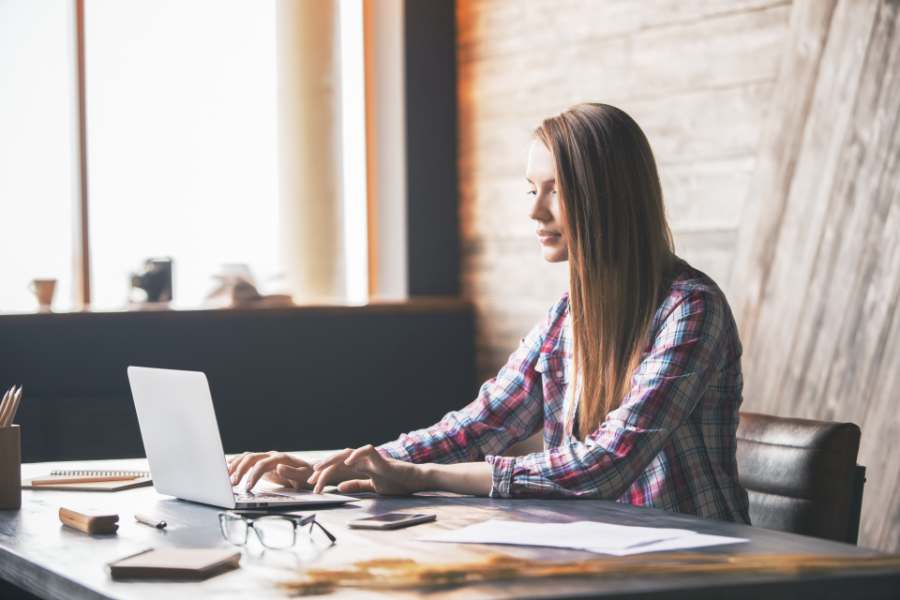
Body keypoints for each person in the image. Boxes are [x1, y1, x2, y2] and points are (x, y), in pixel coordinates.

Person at [228, 103, 751, 524]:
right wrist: (335, 467)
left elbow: (604, 466)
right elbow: (480, 425)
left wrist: (422, 478)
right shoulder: (568, 317)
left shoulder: (690, 309)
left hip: (702, 567)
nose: (534, 211)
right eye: (531, 189)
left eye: (555, 190)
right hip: (597, 557)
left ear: (607, 197)